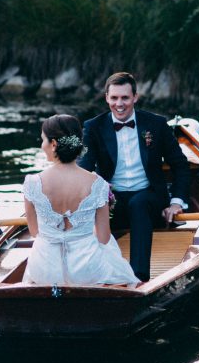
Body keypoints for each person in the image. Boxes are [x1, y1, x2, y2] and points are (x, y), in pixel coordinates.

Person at [78, 72, 190, 282]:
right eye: (114, 98)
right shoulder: (93, 127)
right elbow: (83, 168)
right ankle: (92, 279)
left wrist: (176, 203)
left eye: (125, 98)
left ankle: (139, 279)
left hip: (150, 198)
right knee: (96, 210)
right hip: (113, 202)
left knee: (139, 203)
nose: (119, 104)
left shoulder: (156, 124)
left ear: (135, 97)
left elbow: (180, 165)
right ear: (106, 98)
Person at [22, 113, 139, 286]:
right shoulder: (98, 184)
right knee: (110, 249)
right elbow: (104, 237)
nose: (41, 146)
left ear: (53, 144)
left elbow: (34, 232)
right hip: (86, 270)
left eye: (43, 140)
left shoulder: (32, 183)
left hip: (45, 270)